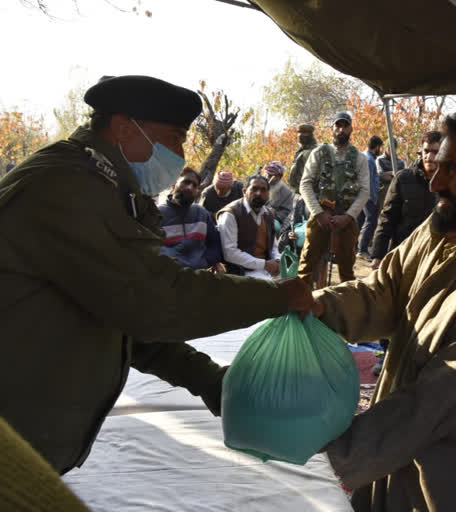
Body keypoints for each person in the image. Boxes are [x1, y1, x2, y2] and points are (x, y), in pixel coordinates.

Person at [0, 76, 313, 475]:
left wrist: (209, 380)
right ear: (125, 128)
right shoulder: (67, 188)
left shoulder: (103, 185)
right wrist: (276, 297)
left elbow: (122, 318)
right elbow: (156, 299)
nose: (181, 154)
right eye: (175, 137)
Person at [310, 108, 456, 511]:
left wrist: (327, 458)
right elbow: (383, 291)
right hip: (394, 456)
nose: (434, 182)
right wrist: (318, 306)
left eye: (449, 170)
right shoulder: (439, 230)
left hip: (448, 483)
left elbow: (436, 400)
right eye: (434, 167)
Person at [298, 112, 369, 288]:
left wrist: (348, 217)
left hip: (346, 219)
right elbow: (305, 184)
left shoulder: (359, 158)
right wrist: (318, 213)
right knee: (306, 266)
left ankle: (346, 309)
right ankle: (299, 309)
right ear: (332, 129)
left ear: (351, 129)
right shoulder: (318, 153)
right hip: (320, 217)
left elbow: (365, 191)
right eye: (338, 126)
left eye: (345, 126)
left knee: (347, 271)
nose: (341, 130)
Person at [370, 130, 441, 271]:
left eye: (435, 152)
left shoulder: (452, 185)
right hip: (402, 255)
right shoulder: (404, 178)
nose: (430, 157)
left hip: (433, 260)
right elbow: (387, 218)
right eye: (426, 151)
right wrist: (378, 255)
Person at [158, 167, 225, 272]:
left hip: (200, 274)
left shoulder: (202, 213)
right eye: (186, 182)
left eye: (195, 185)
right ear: (174, 185)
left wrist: (208, 261)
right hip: (168, 273)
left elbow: (215, 242)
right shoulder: (158, 214)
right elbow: (152, 247)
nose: (190, 188)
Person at [217, 174, 280, 278]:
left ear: (268, 194)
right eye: (254, 189)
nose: (258, 193)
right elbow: (230, 252)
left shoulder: (268, 214)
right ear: (244, 191)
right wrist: (264, 264)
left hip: (267, 268)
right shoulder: (230, 214)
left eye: (263, 190)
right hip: (240, 271)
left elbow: (273, 246)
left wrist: (277, 261)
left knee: (293, 282)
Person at [357, 135, 383, 259]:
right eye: (380, 147)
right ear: (377, 147)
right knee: (371, 222)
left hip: (363, 195)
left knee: (359, 221)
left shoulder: (364, 156)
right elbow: (369, 181)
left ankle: (354, 247)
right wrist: (372, 197)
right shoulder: (369, 160)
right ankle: (362, 250)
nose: (381, 150)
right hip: (367, 196)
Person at [375, 138, 406, 213]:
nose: (391, 150)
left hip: (398, 192)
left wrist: (390, 174)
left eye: (394, 148)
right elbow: (380, 175)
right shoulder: (379, 160)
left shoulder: (401, 162)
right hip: (384, 193)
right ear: (386, 148)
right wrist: (393, 173)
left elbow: (403, 176)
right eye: (389, 148)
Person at [263, 160, 294, 226]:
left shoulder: (286, 192)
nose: (268, 178)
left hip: (272, 219)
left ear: (279, 177)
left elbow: (286, 211)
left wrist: (275, 214)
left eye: (271, 176)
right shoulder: (259, 184)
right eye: (267, 174)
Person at [288, 123, 317, 193]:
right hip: (297, 191)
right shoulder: (299, 151)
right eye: (299, 133)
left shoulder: (314, 152)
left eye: (303, 134)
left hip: (308, 191)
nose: (300, 136)